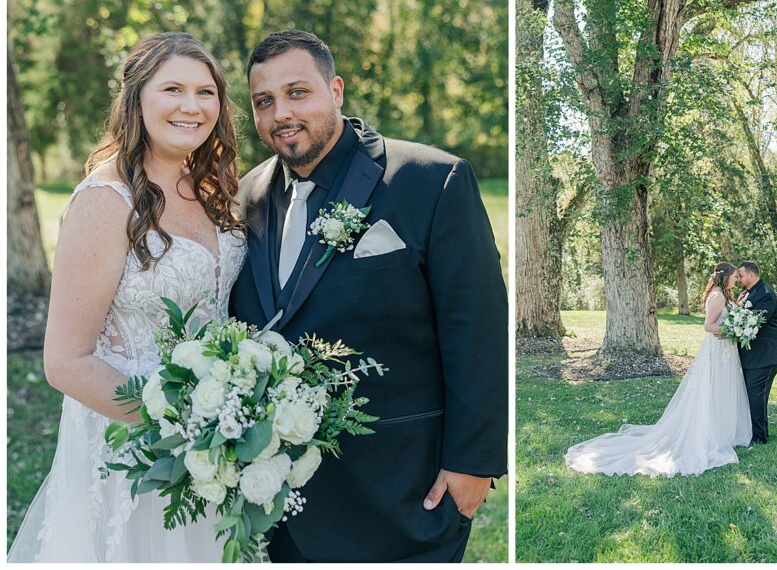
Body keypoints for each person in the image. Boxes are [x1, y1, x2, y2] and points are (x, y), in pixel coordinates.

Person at [228, 30, 508, 562]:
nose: (281, 112)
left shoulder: (431, 180)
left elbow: (477, 328)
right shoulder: (245, 199)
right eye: (265, 101)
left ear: (335, 90)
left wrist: (474, 463)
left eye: (297, 92)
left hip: (402, 494)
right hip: (280, 501)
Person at [8, 33, 247, 562]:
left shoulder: (215, 189)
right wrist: (180, 426)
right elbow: (65, 362)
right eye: (173, 89)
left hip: (215, 445)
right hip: (132, 446)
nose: (192, 106)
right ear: (137, 99)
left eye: (206, 92)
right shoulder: (104, 200)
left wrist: (224, 424)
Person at [564, 262, 751, 477]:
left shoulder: (724, 295)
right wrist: (731, 330)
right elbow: (708, 326)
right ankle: (711, 434)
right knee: (713, 390)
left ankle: (724, 432)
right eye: (734, 277)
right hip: (717, 351)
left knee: (723, 390)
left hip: (726, 352)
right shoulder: (717, 296)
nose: (736, 280)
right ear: (725, 276)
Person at [735, 261, 777, 443]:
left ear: (751, 275)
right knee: (752, 394)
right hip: (752, 356)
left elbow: (753, 322)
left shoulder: (765, 295)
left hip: (765, 356)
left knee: (756, 395)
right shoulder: (750, 293)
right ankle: (752, 432)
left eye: (740, 276)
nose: (738, 279)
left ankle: (759, 436)